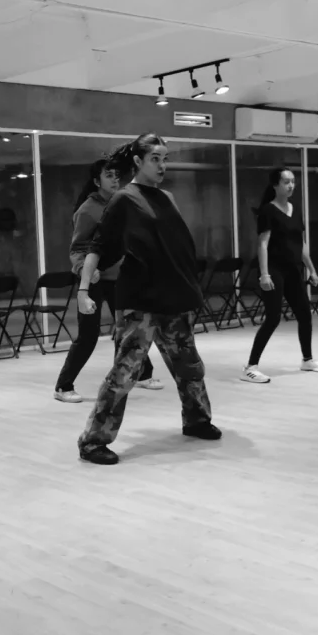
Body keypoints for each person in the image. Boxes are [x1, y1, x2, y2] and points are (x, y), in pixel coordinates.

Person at [76, 133, 221, 465]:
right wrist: (83, 290)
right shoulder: (124, 199)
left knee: (190, 367)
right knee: (124, 373)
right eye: (155, 159)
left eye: (165, 158)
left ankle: (197, 420)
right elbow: (98, 246)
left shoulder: (167, 197)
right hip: (141, 301)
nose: (162, 165)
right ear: (138, 162)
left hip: (176, 297)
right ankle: (93, 442)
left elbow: (175, 247)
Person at [54, 157, 161, 402]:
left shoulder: (121, 204)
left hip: (119, 279)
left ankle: (141, 374)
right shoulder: (87, 210)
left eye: (117, 176)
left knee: (129, 330)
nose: (115, 180)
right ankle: (63, 386)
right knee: (88, 336)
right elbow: (77, 248)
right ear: (96, 181)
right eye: (109, 175)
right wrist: (84, 270)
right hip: (93, 281)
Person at [242, 167, 318, 383]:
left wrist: (312, 269)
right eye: (286, 182)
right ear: (275, 185)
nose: (291, 185)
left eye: (293, 181)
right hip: (274, 270)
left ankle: (307, 360)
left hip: (293, 270)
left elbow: (301, 244)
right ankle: (250, 367)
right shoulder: (268, 211)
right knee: (273, 318)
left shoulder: (295, 209)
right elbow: (262, 244)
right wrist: (264, 274)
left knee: (304, 314)